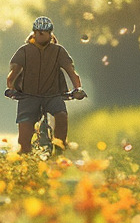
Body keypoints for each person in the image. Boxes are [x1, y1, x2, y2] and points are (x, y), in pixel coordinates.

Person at [5, 16, 85, 156]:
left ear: (50, 34)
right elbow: (13, 73)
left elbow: (72, 73)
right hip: (28, 96)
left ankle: (59, 149)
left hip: (53, 95)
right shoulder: (24, 51)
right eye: (37, 32)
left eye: (43, 33)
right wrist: (11, 89)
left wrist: (77, 89)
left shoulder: (58, 51)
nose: (39, 35)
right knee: (24, 136)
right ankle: (25, 156)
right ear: (33, 33)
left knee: (61, 116)